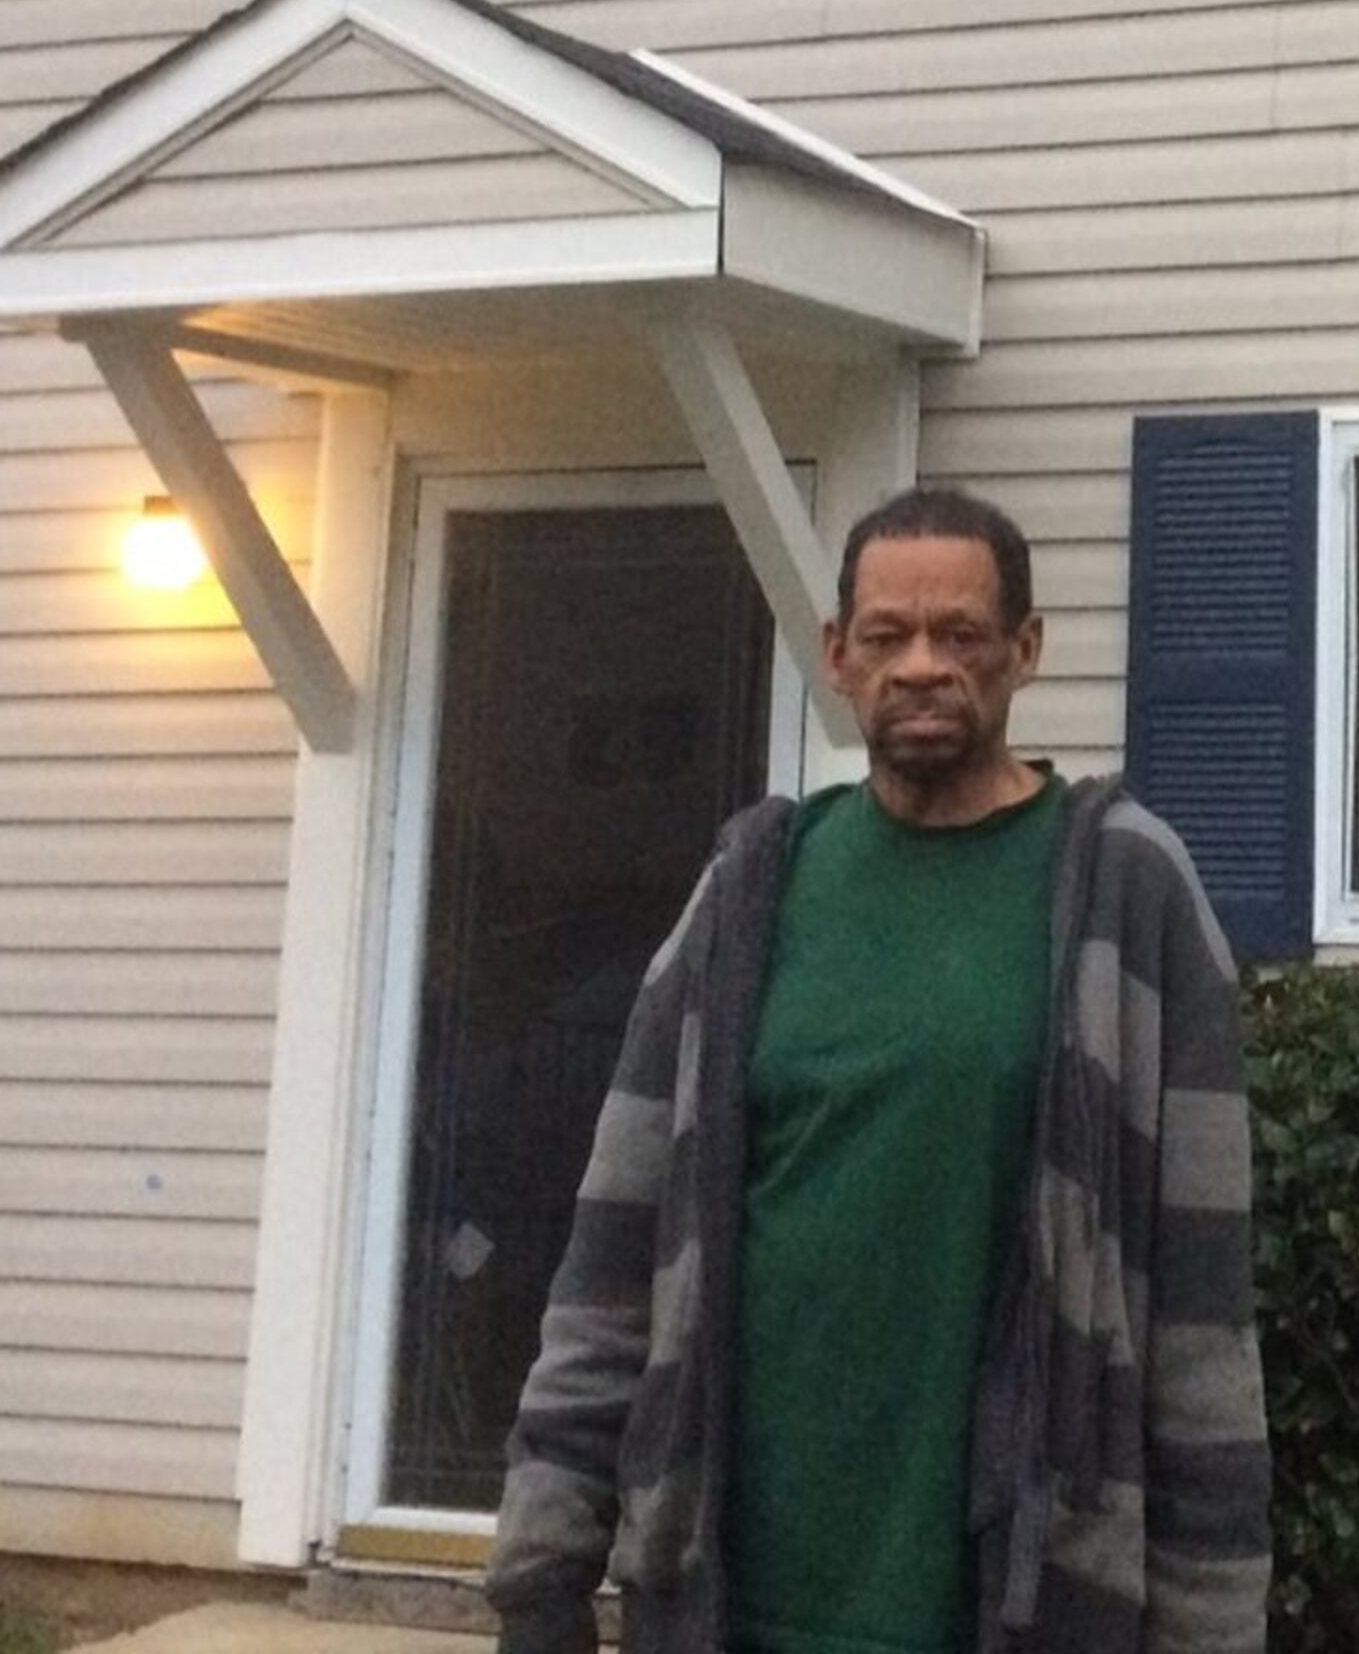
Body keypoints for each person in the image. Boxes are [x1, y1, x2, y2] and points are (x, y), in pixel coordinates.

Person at [484, 484, 1269, 1654]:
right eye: (889, 637)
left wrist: (1211, 1627)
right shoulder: (749, 897)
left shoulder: (1126, 897)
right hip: (729, 1603)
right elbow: (614, 1259)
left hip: (1011, 1606)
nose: (921, 666)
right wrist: (543, 1570)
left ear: (1025, 651)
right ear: (838, 656)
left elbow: (1202, 1315)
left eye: (960, 635)